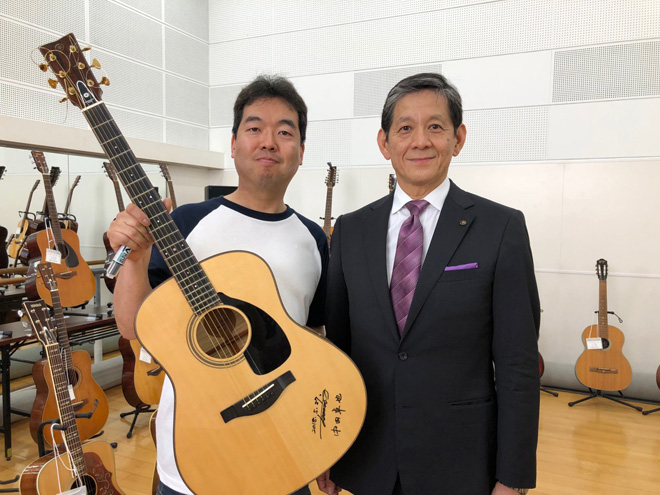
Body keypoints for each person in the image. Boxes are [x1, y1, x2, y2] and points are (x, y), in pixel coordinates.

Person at [317, 73, 540, 495]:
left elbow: (519, 364)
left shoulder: (500, 228)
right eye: (405, 128)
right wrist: (327, 446)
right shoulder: (351, 230)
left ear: (458, 139)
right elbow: (338, 353)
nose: (420, 141)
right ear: (384, 143)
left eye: (435, 126)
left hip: (461, 462)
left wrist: (512, 477)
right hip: (368, 458)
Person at [107, 75, 327, 495]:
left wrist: (322, 435)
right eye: (254, 128)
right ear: (233, 144)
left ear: (301, 151)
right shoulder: (184, 222)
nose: (269, 142)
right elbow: (134, 327)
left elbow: (314, 337)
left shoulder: (313, 239)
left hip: (285, 447)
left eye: (285, 132)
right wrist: (134, 260)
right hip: (193, 452)